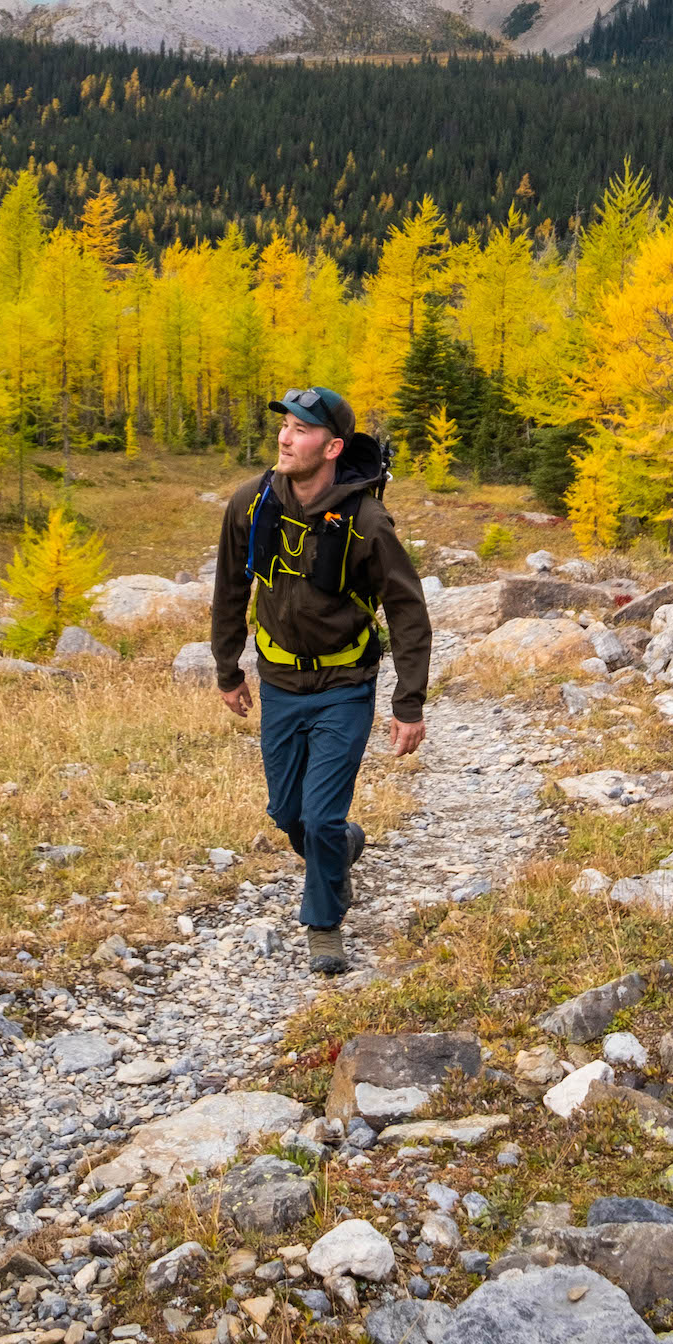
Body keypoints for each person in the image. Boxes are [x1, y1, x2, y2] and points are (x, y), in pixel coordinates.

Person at [210, 385, 431, 974]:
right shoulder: (252, 503)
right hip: (280, 681)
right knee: (289, 815)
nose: (285, 437)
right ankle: (342, 850)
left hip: (344, 685)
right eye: (284, 425)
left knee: (321, 816)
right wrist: (226, 668)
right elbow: (231, 587)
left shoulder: (366, 519)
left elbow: (407, 610)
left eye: (302, 429)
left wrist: (408, 702)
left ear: (332, 447)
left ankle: (325, 923)